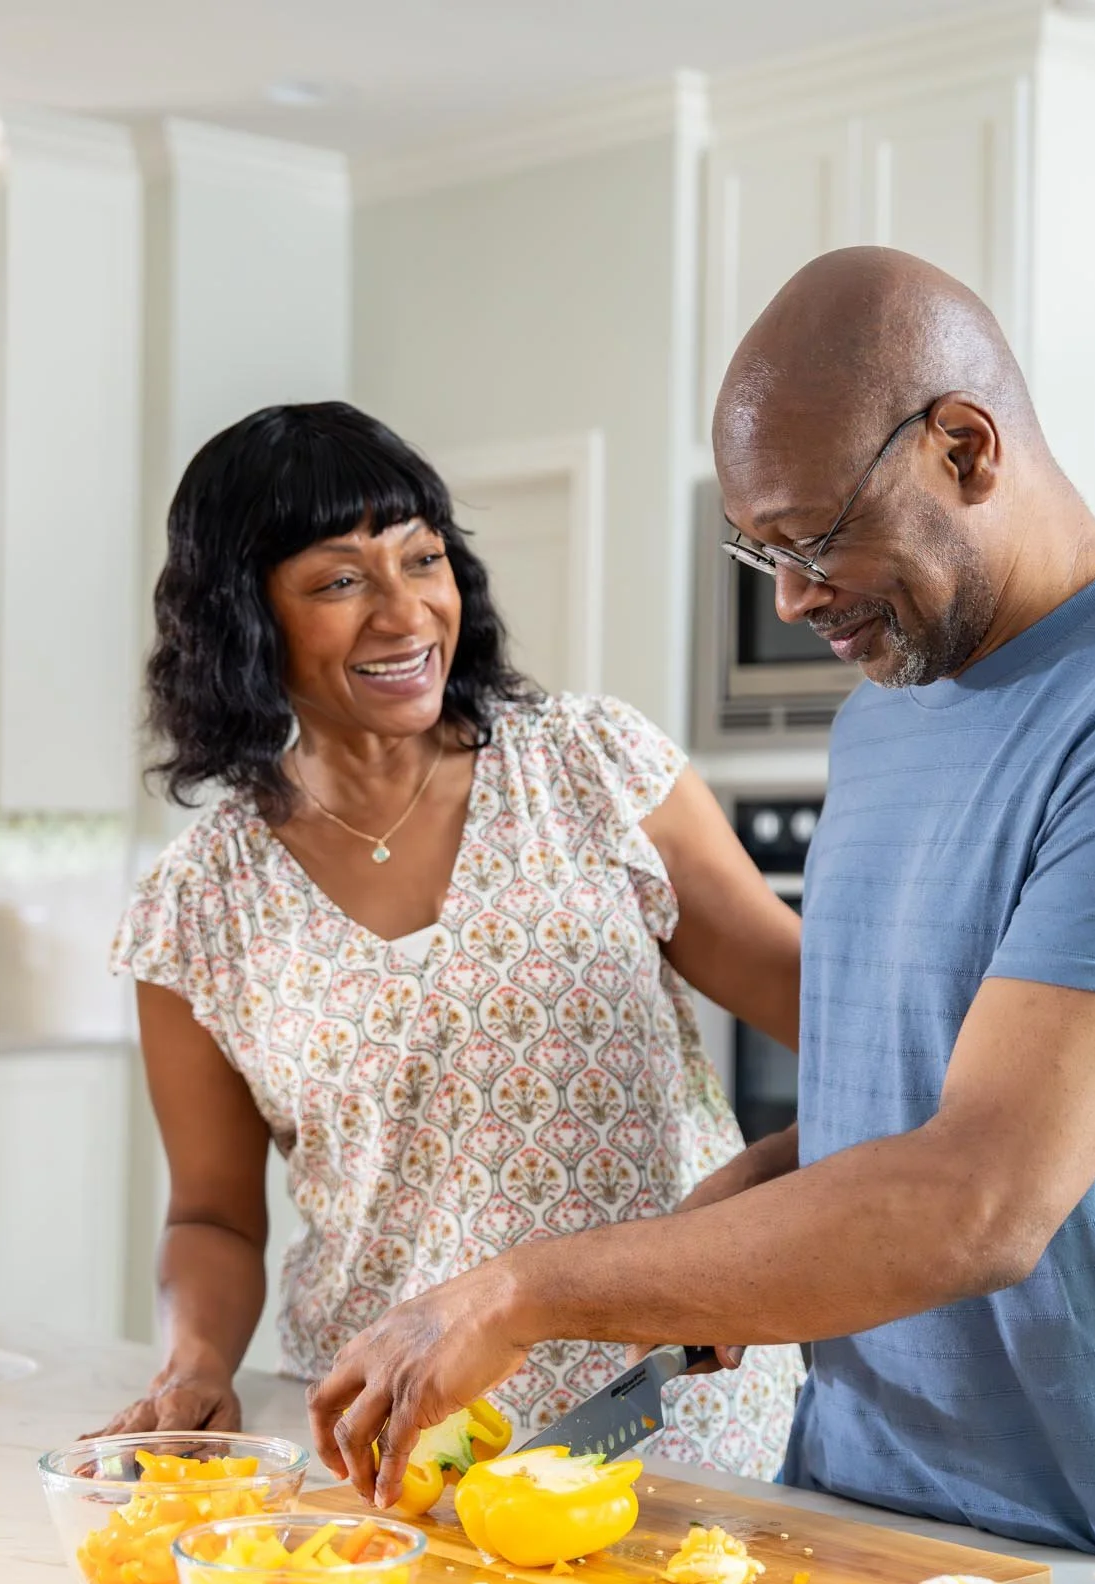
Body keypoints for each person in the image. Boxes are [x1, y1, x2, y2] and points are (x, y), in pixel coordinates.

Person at [303, 251, 1095, 1584]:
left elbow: (980, 1195)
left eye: (811, 538)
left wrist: (523, 1290)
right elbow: (924, 1082)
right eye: (762, 551)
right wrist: (761, 1211)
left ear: (963, 448)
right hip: (872, 1500)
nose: (792, 596)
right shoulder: (883, 716)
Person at [96, 402, 806, 1478]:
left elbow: (832, 1014)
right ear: (247, 617)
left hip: (679, 1407)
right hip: (396, 1437)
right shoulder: (198, 903)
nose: (404, 613)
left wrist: (780, 1180)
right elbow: (211, 1215)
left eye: (421, 560)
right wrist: (195, 1361)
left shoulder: (590, 768)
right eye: (339, 581)